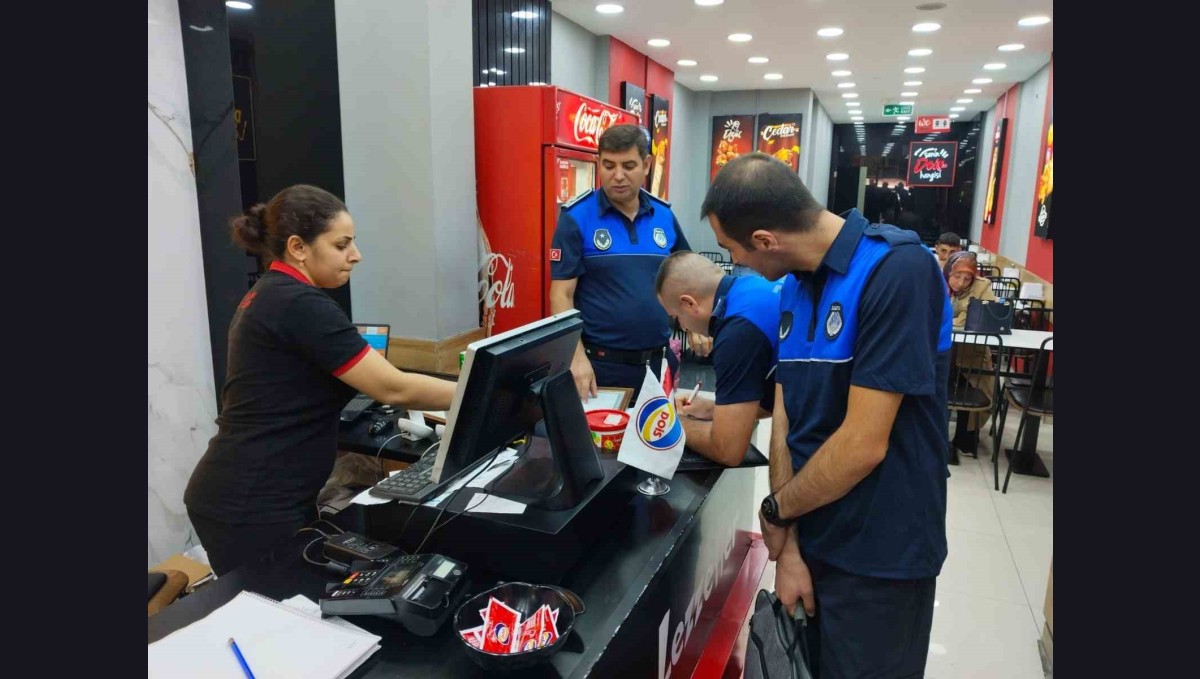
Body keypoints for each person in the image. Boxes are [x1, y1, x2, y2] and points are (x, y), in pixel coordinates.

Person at [702, 153, 951, 678]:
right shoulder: (794, 286)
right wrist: (789, 547)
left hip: (880, 557)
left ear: (766, 240)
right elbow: (786, 424)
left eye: (733, 251)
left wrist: (776, 511)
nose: (737, 266)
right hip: (812, 540)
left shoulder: (898, 269)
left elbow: (863, 443)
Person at [184, 185, 457, 576]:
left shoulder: (273, 294)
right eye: (342, 244)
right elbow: (392, 387)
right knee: (278, 613)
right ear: (298, 247)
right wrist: (479, 387)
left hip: (256, 493)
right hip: (250, 501)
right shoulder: (297, 302)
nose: (355, 255)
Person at [549, 124, 707, 401]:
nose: (617, 176)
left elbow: (689, 275)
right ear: (598, 163)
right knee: (602, 444)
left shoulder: (664, 215)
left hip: (657, 363)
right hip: (599, 367)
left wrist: (698, 323)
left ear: (646, 165)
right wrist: (575, 358)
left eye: (628, 166)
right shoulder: (576, 217)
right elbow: (561, 295)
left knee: (656, 442)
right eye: (608, 165)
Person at [654, 252, 780, 466]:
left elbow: (727, 450)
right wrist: (714, 409)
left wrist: (670, 423)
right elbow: (776, 395)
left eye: (676, 318)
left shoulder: (736, 330)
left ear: (689, 304)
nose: (683, 327)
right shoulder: (753, 287)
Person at [944, 250, 997, 456]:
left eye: (967, 278)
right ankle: (938, 438)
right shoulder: (936, 281)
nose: (961, 282)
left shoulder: (983, 286)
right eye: (957, 276)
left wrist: (950, 322)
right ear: (948, 271)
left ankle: (965, 438)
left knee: (980, 391)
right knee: (941, 387)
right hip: (941, 353)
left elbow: (981, 316)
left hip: (972, 354)